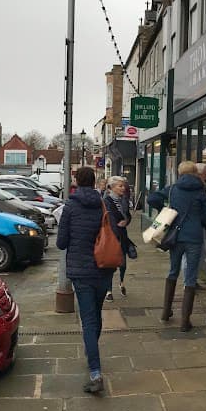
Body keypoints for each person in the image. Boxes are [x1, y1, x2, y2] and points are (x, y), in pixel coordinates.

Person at [55, 165, 121, 394]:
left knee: (88, 320)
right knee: (96, 313)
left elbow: (61, 243)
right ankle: (91, 350)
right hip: (103, 269)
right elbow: (112, 232)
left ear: (76, 181)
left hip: (81, 272)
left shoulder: (70, 207)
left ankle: (95, 372)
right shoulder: (103, 203)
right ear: (94, 182)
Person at [161, 161, 206, 332]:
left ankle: (166, 312)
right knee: (190, 277)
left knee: (173, 271)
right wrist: (199, 221)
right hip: (194, 237)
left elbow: (152, 198)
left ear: (180, 172)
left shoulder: (174, 189)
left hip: (175, 236)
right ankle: (185, 321)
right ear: (195, 173)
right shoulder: (200, 190)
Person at [105, 176, 138, 298]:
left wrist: (126, 221)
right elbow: (110, 220)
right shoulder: (107, 201)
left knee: (123, 263)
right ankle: (109, 291)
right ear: (112, 187)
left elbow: (128, 216)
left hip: (122, 236)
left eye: (123, 185)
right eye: (120, 186)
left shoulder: (123, 200)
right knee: (110, 265)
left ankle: (122, 282)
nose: (123, 188)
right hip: (111, 237)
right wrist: (118, 228)